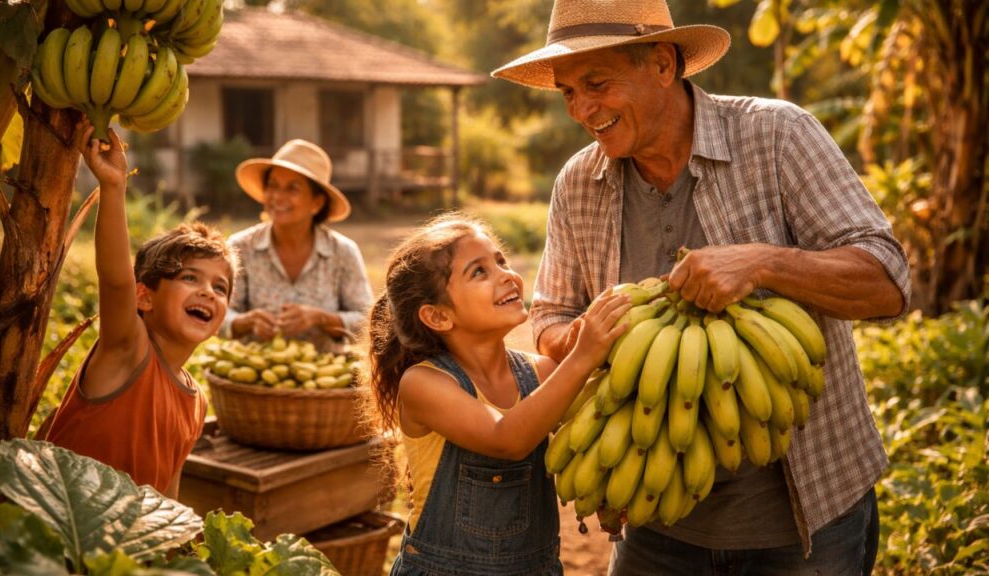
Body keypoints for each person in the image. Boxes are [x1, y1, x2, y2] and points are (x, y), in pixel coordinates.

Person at [491, 0, 911, 573]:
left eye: (597, 83)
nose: (582, 109)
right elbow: (551, 316)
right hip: (654, 513)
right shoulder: (579, 183)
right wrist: (589, 338)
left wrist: (764, 264)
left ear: (663, 64)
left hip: (807, 518)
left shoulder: (777, 136)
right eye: (568, 92)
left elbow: (888, 281)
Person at [363, 215, 632, 575]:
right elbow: (506, 438)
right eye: (479, 272)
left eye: (500, 260)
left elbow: (590, 443)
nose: (507, 274)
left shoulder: (541, 373)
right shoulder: (425, 384)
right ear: (438, 316)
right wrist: (582, 356)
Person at [43, 122, 239, 499]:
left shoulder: (196, 400)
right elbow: (116, 281)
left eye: (220, 287)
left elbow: (167, 494)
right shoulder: (127, 350)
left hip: (123, 553)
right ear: (144, 297)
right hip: (56, 539)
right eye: (190, 278)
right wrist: (113, 186)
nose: (207, 293)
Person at [222, 139, 373, 351]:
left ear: (317, 203)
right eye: (272, 186)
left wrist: (321, 318)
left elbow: (368, 322)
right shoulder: (241, 247)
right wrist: (245, 322)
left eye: (292, 189)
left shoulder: (342, 252)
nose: (278, 197)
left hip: (325, 376)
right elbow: (219, 314)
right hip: (255, 375)